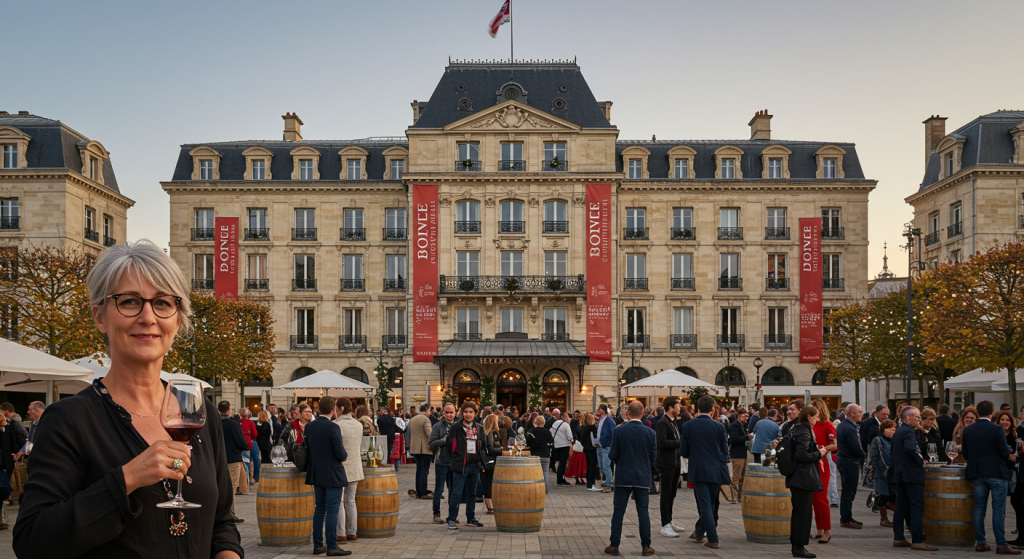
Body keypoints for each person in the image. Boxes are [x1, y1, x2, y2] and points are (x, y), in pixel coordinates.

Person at [12, 240, 243, 558]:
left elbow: (222, 521)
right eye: (130, 301)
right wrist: (127, 479)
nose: (148, 317)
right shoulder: (69, 420)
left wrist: (228, 554)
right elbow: (32, 541)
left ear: (177, 320)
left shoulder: (197, 412)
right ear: (100, 317)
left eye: (162, 303)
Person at [963, 400, 1018, 554]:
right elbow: (1004, 452)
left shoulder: (968, 430)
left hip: (977, 473)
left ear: (977, 412)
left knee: (979, 508)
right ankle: (1001, 544)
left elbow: (966, 454)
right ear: (992, 412)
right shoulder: (997, 429)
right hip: (996, 473)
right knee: (998, 509)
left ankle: (980, 542)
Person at [605, 401, 657, 557]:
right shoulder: (650, 433)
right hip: (642, 476)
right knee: (643, 512)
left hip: (623, 476)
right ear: (643, 414)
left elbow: (612, 455)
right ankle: (646, 546)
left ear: (627, 413)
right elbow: (653, 457)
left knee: (618, 512)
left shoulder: (619, 431)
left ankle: (614, 545)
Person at [679, 395, 731, 549]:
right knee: (710, 503)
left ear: (697, 408)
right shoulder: (719, 426)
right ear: (713, 408)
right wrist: (717, 460)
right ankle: (700, 531)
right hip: (715, 469)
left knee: (706, 505)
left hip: (698, 469)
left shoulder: (688, 426)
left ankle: (713, 538)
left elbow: (683, 450)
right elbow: (724, 452)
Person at [304, 396, 350, 557]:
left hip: (317, 472)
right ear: (333, 410)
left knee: (319, 509)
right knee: (332, 510)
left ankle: (318, 545)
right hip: (332, 473)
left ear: (318, 409)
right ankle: (332, 546)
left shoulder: (310, 426)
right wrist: (345, 454)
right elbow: (340, 453)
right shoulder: (333, 427)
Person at [890, 406, 937, 551]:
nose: (919, 419)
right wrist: (920, 461)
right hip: (911, 474)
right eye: (916, 417)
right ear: (907, 418)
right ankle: (917, 540)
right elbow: (910, 449)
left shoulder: (899, 431)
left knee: (901, 506)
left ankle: (899, 538)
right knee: (917, 507)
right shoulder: (909, 431)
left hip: (900, 474)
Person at [786, 404, 827, 559]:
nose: (817, 420)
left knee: (798, 512)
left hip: (796, 477)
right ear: (810, 417)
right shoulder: (804, 430)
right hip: (803, 477)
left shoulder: (795, 428)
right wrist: (819, 453)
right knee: (803, 513)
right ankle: (798, 547)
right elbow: (802, 455)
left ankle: (797, 544)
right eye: (816, 417)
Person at [446, 402, 485, 530]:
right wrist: (456, 459)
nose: (468, 414)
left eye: (471, 412)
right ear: (462, 413)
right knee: (456, 493)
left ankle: (471, 518)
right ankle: (452, 519)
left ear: (475, 413)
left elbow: (482, 445)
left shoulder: (478, 428)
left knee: (472, 493)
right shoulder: (456, 428)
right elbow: (451, 446)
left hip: (474, 465)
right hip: (461, 466)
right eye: (466, 412)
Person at [333, 397, 363, 543]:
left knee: (340, 502)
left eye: (336, 409)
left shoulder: (336, 425)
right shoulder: (359, 425)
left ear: (341, 409)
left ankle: (341, 533)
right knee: (351, 501)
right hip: (356, 467)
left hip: (341, 467)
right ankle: (352, 532)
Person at [807, 400, 836, 542]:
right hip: (810, 463)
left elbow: (834, 444)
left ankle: (827, 530)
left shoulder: (827, 425)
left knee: (821, 498)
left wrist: (822, 449)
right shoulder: (810, 425)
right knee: (814, 499)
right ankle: (819, 529)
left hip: (821, 464)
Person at [655, 396, 683, 538]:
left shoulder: (673, 422)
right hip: (666, 463)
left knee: (672, 492)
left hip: (675, 461)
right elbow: (661, 442)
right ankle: (665, 524)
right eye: (677, 406)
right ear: (670, 408)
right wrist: (679, 442)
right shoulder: (663, 422)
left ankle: (669, 520)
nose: (680, 408)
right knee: (666, 493)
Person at [217, 401, 249, 522]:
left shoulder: (215, 423)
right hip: (233, 458)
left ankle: (221, 513)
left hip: (219, 458)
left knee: (221, 486)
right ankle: (230, 514)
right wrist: (243, 447)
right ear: (229, 409)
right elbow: (242, 442)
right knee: (231, 487)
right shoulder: (233, 424)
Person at [835, 403, 865, 529]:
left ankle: (847, 516)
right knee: (849, 491)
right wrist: (863, 455)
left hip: (844, 460)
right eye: (859, 412)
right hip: (849, 462)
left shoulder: (844, 425)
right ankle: (846, 518)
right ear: (852, 414)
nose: (861, 414)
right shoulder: (848, 427)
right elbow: (854, 447)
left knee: (848, 491)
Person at [429, 402, 457, 524]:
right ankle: (436, 514)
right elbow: (431, 444)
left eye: (451, 412)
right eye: (447, 412)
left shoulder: (458, 425)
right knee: (439, 490)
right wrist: (445, 440)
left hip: (455, 462)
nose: (449, 415)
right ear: (443, 413)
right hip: (441, 462)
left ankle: (452, 516)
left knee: (453, 490)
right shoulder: (438, 426)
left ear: (455, 413)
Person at [869, 420, 897, 528]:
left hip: (893, 473)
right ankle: (883, 519)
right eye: (889, 428)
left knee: (893, 495)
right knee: (884, 495)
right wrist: (882, 470)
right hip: (882, 473)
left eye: (894, 429)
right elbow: (874, 457)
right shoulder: (878, 440)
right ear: (883, 429)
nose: (891, 431)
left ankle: (897, 519)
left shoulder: (894, 441)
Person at [408, 403, 434, 499]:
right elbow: (429, 434)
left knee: (418, 470)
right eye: (430, 410)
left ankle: (419, 491)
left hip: (414, 448)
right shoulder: (425, 419)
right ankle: (423, 492)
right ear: (427, 409)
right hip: (424, 449)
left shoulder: (413, 419)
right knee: (424, 471)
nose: (430, 413)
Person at [480, 414, 503, 513]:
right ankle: (489, 505)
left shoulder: (489, 432)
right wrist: (501, 449)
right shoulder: (490, 433)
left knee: (489, 483)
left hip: (489, 461)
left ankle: (490, 503)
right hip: (489, 461)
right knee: (489, 483)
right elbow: (491, 449)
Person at [728, 408, 752, 502]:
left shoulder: (743, 425)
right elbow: (733, 439)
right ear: (739, 416)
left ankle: (740, 496)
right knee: (736, 476)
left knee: (742, 477)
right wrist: (746, 437)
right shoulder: (734, 426)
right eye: (744, 416)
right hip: (737, 454)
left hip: (743, 454)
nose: (746, 418)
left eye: (747, 416)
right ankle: (733, 496)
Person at [527, 415, 554, 494]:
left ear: (536, 422)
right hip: (545, 454)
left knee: (534, 473)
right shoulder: (547, 431)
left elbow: (528, 442)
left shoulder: (531, 431)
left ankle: (535, 489)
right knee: (545, 472)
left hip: (534, 454)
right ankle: (545, 489)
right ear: (543, 422)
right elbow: (551, 441)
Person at [550, 409, 573, 487]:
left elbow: (551, 433)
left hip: (556, 445)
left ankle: (560, 478)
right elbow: (570, 436)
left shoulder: (555, 423)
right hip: (564, 445)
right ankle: (560, 480)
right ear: (566, 419)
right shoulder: (566, 425)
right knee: (563, 463)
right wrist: (571, 441)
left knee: (559, 462)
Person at [578, 412, 601, 492]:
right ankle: (591, 484)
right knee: (592, 467)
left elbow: (581, 439)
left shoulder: (582, 428)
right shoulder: (591, 427)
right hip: (592, 448)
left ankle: (590, 484)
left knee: (589, 467)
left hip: (586, 448)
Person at [595, 404, 615, 493]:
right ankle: (607, 481)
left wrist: (609, 443)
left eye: (599, 409)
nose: (597, 411)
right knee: (602, 466)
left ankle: (609, 484)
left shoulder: (609, 421)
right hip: (600, 446)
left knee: (606, 466)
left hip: (606, 446)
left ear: (603, 410)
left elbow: (613, 432)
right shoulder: (600, 420)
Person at [239, 408, 259, 486]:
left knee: (245, 461)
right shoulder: (250, 422)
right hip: (250, 441)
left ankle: (247, 478)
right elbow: (255, 434)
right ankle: (255, 476)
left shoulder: (238, 422)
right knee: (255, 459)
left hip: (241, 443)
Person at [376, 407, 397, 471]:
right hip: (391, 436)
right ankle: (389, 462)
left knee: (384, 449)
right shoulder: (391, 419)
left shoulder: (379, 419)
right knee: (389, 449)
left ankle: (384, 462)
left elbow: (380, 428)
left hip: (384, 436)